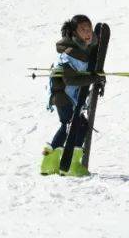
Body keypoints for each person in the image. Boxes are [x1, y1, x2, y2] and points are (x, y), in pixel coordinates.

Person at [41, 14, 104, 176]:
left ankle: (52, 161)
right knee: (75, 125)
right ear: (74, 33)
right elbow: (70, 79)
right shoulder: (69, 53)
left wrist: (98, 78)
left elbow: (87, 71)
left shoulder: (86, 49)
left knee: (72, 126)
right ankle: (71, 164)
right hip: (62, 96)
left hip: (71, 97)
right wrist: (92, 78)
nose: (87, 32)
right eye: (82, 29)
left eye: (89, 28)